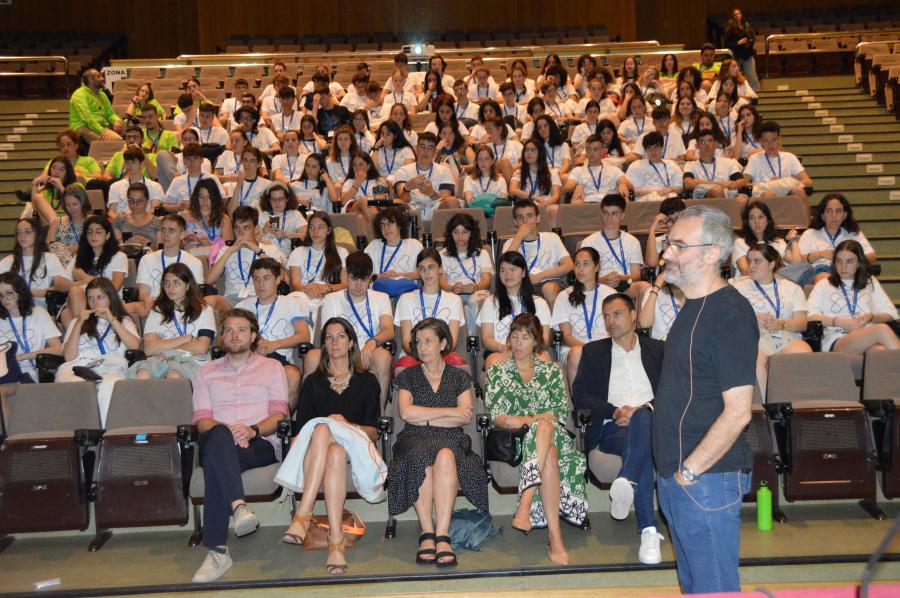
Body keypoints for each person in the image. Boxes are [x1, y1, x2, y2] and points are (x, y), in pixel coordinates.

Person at [652, 205, 757, 594]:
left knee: (714, 590)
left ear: (713, 253)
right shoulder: (691, 309)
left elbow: (738, 411)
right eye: (667, 244)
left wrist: (689, 473)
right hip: (681, 479)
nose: (667, 254)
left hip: (705, 480)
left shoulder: (729, 313)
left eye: (678, 245)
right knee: (696, 588)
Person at [189, 308, 290, 583]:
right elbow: (202, 421)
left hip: (258, 443)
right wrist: (227, 432)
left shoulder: (272, 368)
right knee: (219, 437)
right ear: (221, 336)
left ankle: (218, 552)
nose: (235, 335)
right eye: (229, 330)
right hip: (218, 439)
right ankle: (239, 507)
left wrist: (252, 429)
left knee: (215, 460)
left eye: (242, 330)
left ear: (253, 335)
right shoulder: (205, 372)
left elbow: (279, 415)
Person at [275, 317, 382, 575]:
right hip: (322, 452)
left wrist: (345, 425)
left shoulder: (367, 381)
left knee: (326, 427)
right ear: (323, 345)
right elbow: (302, 431)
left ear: (351, 343)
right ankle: (336, 542)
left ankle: (304, 513)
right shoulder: (312, 382)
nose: (334, 342)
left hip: (358, 448)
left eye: (340, 337)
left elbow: (374, 431)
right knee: (328, 441)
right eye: (329, 338)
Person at [486, 312, 587, 565]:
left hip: (555, 435)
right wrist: (535, 420)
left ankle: (526, 502)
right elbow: (497, 415)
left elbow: (560, 411)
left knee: (545, 429)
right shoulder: (497, 370)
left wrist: (527, 418)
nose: (518, 342)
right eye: (514, 336)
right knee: (548, 452)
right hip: (518, 440)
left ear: (536, 342)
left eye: (525, 337)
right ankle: (556, 538)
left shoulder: (552, 370)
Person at [571, 292, 665, 565]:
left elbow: (674, 391)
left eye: (617, 314)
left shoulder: (657, 350)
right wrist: (614, 410)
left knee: (644, 422)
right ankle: (648, 529)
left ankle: (627, 482)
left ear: (634, 315)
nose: (611, 321)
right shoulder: (594, 352)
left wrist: (643, 409)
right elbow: (581, 396)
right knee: (641, 440)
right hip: (612, 428)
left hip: (652, 424)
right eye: (606, 316)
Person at [388, 318, 488, 568]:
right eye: (418, 342)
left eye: (429, 341)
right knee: (419, 454)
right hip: (412, 438)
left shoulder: (459, 376)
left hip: (452, 439)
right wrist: (446, 412)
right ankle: (426, 532)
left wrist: (427, 417)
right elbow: (406, 415)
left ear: (443, 343)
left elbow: (466, 414)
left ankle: (441, 534)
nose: (422, 347)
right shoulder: (407, 376)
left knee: (445, 455)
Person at [57, 276, 141, 425]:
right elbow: (69, 356)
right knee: (71, 383)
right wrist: (78, 323)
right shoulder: (78, 321)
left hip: (111, 366)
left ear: (110, 298)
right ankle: (79, 433)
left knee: (111, 384)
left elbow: (135, 346)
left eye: (100, 297)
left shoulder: (123, 320)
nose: (95, 302)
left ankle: (104, 433)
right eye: (90, 298)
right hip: (79, 366)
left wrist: (112, 320)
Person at [314, 252, 394, 403]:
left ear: (370, 277)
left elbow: (388, 329)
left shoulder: (381, 298)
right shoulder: (332, 299)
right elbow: (328, 334)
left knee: (383, 357)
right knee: (312, 358)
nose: (358, 285)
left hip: (367, 353)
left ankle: (379, 416)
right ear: (346, 274)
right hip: (338, 350)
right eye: (354, 278)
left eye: (364, 279)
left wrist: (372, 342)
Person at [733, 244, 812, 396]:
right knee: (755, 361)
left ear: (771, 264)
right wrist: (752, 320)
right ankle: (767, 407)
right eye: (749, 261)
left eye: (757, 261)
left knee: (804, 354)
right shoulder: (738, 288)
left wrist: (781, 323)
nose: (751, 266)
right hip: (755, 338)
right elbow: (728, 321)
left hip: (785, 335)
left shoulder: (791, 288)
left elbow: (802, 323)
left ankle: (796, 403)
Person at [235, 258, 310, 408]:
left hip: (279, 360)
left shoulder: (291, 304)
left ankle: (282, 424)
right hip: (247, 359)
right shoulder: (242, 307)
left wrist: (273, 345)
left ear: (277, 280)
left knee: (293, 375)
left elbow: (304, 335)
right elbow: (225, 337)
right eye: (256, 279)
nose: (260, 284)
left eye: (266, 278)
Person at [807, 240, 899, 355]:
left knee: (880, 353)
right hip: (838, 338)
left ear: (859, 262)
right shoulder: (824, 284)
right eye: (839, 261)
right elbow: (809, 316)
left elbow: (891, 313)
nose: (843, 266)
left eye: (849, 261)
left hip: (867, 334)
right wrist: (841, 322)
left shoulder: (870, 282)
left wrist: (871, 317)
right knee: (881, 329)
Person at [131, 263, 216, 381]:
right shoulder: (157, 311)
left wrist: (162, 345)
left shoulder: (204, 310)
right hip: (161, 359)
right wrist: (186, 338)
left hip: (193, 359)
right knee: (142, 374)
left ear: (187, 285)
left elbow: (202, 347)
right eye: (167, 283)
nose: (170, 288)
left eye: (177, 282)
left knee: (174, 376)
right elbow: (149, 349)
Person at [393, 248, 466, 372]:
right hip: (415, 355)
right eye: (422, 268)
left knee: (457, 362)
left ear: (440, 268)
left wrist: (434, 356)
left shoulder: (454, 300)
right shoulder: (406, 299)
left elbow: (451, 342)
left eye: (431, 267)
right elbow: (406, 342)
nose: (426, 272)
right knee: (404, 366)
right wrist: (423, 354)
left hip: (443, 356)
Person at [477, 251, 552, 371]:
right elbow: (487, 338)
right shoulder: (490, 302)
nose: (507, 274)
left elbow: (545, 338)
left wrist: (527, 350)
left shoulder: (540, 303)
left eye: (513, 269)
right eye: (502, 270)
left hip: (531, 351)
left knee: (544, 360)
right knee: (493, 363)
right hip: (502, 351)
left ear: (523, 273)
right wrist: (504, 348)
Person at [551, 247, 616, 385]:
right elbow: (567, 337)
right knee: (577, 353)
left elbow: (616, 329)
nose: (580, 269)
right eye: (577, 264)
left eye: (586, 264)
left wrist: (599, 349)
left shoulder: (610, 294)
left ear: (596, 267)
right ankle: (578, 403)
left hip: (605, 345)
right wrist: (590, 349)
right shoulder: (564, 296)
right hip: (574, 347)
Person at [205, 206, 285, 308]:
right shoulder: (226, 250)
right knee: (208, 302)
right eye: (237, 228)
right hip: (231, 300)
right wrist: (230, 250)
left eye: (246, 228)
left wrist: (257, 250)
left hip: (258, 298)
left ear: (256, 229)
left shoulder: (269, 249)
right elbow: (209, 280)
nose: (240, 233)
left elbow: (281, 276)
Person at [581, 195, 651, 306]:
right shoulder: (588, 242)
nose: (609, 218)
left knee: (645, 288)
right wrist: (603, 280)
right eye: (605, 213)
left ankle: (639, 323)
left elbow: (636, 275)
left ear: (622, 215)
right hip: (599, 285)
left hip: (625, 286)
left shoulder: (633, 241)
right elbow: (584, 275)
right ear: (601, 214)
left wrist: (622, 278)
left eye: (614, 213)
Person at [501, 199, 573, 306]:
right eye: (520, 217)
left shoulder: (552, 238)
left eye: (529, 216)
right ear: (515, 222)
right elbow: (505, 267)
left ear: (537, 218)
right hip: (520, 284)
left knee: (549, 289)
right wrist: (519, 236)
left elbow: (569, 265)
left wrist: (540, 276)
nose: (525, 221)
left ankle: (552, 323)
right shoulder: (510, 243)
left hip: (549, 281)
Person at [795, 193, 876, 287]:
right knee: (824, 279)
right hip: (818, 273)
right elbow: (797, 261)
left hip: (848, 273)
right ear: (822, 215)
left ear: (845, 215)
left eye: (838, 211)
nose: (834, 216)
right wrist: (820, 254)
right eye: (829, 211)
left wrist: (848, 259)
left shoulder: (854, 234)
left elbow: (872, 256)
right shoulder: (810, 234)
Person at [132, 214, 205, 318]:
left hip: (183, 306)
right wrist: (147, 300)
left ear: (182, 235)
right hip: (154, 305)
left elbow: (196, 295)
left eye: (171, 230)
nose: (166, 234)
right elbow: (143, 293)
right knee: (131, 307)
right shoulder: (147, 259)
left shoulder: (194, 262)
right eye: (163, 230)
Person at [63, 216, 127, 326]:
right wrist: (81, 282)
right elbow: (60, 285)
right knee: (65, 314)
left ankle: (85, 332)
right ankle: (84, 338)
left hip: (107, 301)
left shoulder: (119, 256)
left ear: (107, 235)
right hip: (82, 301)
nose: (93, 236)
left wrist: (85, 278)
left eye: (98, 232)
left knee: (74, 292)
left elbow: (115, 287)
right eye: (89, 232)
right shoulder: (78, 257)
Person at [0, 272, 63, 385]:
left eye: (9, 293)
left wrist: (23, 357)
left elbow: (58, 349)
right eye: (0, 295)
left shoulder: (39, 313)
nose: (4, 299)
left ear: (20, 293)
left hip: (27, 373)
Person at [439, 212, 493, 334]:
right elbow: (442, 282)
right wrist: (452, 288)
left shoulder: (482, 253)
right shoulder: (443, 254)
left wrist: (475, 287)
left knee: (481, 300)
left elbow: (486, 280)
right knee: (453, 301)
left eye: (465, 232)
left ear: (472, 233)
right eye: (455, 232)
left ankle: (474, 339)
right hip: (452, 292)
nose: (460, 236)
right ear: (450, 234)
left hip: (476, 291)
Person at [0, 219, 69, 309]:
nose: (22, 236)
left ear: (37, 235)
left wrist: (32, 293)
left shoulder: (49, 258)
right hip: (12, 309)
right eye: (18, 233)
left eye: (27, 232)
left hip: (40, 309)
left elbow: (61, 287)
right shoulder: (7, 261)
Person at [391, 132, 458, 222]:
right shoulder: (404, 170)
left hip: (435, 209)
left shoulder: (444, 170)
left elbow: (446, 199)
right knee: (397, 203)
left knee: (452, 201)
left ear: (435, 152)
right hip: (412, 208)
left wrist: (431, 193)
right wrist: (407, 188)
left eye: (430, 148)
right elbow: (402, 199)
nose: (425, 151)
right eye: (422, 146)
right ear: (416, 149)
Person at [287, 211, 348, 305]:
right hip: (304, 295)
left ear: (329, 230)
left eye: (320, 227)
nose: (315, 232)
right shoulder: (297, 252)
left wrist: (326, 288)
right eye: (312, 227)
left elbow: (345, 284)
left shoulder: (341, 252)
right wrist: (309, 289)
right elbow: (295, 284)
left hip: (330, 295)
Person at [743, 121, 812, 200]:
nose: (770, 145)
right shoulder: (755, 158)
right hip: (763, 198)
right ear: (760, 141)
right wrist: (769, 185)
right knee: (769, 194)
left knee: (799, 191)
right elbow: (743, 182)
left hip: (787, 196)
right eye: (766, 141)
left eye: (773, 140)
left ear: (779, 139)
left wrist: (782, 184)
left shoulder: (790, 157)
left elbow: (808, 182)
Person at [682, 128, 748, 202]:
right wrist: (722, 184)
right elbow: (688, 183)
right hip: (701, 199)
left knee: (742, 200)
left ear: (715, 144)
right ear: (697, 146)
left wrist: (704, 184)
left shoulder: (728, 162)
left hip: (726, 197)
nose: (707, 145)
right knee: (717, 191)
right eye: (702, 141)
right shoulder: (691, 165)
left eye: (710, 141)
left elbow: (742, 182)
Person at [732, 200, 796, 276]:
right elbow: (746, 271)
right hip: (751, 284)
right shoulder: (740, 243)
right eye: (752, 218)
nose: (756, 221)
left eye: (760, 217)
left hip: (777, 284)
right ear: (748, 222)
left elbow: (797, 264)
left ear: (767, 221)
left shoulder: (778, 243)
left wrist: (793, 241)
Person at [508, 140, 562, 228]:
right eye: (526, 150)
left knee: (554, 209)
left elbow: (556, 196)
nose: (529, 153)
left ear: (540, 153)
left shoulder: (552, 172)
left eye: (533, 150)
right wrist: (533, 197)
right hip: (527, 207)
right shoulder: (519, 172)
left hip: (545, 206)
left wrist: (544, 203)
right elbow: (512, 190)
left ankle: (553, 237)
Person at [566, 134, 632, 203]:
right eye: (588, 149)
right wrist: (577, 186)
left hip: (609, 205)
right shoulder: (577, 170)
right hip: (586, 203)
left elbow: (630, 185)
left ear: (602, 150)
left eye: (595, 149)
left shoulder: (613, 169)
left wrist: (622, 184)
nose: (591, 152)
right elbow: (567, 188)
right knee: (575, 202)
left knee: (625, 200)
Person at [363, 207, 424, 280]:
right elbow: (362, 275)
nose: (386, 228)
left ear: (399, 225)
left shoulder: (414, 245)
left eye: (390, 223)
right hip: (378, 290)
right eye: (382, 225)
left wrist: (397, 275)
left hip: (406, 290)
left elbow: (423, 273)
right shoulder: (373, 246)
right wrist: (380, 276)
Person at [625, 132, 684, 201]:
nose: (653, 151)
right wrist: (655, 193)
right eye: (649, 148)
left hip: (669, 201)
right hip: (645, 202)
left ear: (662, 147)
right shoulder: (636, 166)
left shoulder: (672, 165)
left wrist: (670, 189)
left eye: (656, 147)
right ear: (645, 150)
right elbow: (630, 190)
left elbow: (680, 188)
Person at [107, 147, 164, 217]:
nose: (129, 166)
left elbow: (154, 210)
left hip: (146, 223)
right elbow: (111, 212)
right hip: (123, 224)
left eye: (133, 162)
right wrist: (124, 220)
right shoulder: (115, 186)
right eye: (127, 162)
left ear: (142, 164)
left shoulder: (155, 186)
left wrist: (136, 220)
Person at [69, 69, 122, 142]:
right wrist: (103, 131)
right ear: (90, 80)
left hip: (101, 126)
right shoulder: (79, 95)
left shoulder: (102, 95)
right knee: (116, 140)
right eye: (99, 77)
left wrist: (116, 121)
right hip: (83, 127)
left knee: (127, 128)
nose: (103, 78)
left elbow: (110, 113)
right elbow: (88, 118)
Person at [257, 182, 308, 258]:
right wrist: (263, 231)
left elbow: (307, 236)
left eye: (280, 199)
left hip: (285, 257)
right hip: (263, 255)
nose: (277, 203)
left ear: (287, 199)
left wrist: (286, 235)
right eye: (273, 199)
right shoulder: (261, 215)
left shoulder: (295, 215)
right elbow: (250, 239)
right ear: (269, 200)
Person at [182, 178, 234, 252]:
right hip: (191, 257)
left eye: (209, 197)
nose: (204, 201)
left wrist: (211, 246)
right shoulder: (187, 215)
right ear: (196, 198)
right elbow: (178, 243)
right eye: (201, 197)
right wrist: (186, 240)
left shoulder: (224, 219)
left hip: (217, 258)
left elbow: (228, 248)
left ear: (215, 198)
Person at [46, 184, 90, 267]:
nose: (71, 208)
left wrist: (76, 248)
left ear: (83, 202)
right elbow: (50, 246)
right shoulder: (57, 222)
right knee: (55, 246)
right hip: (61, 264)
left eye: (75, 204)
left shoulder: (92, 221)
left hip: (86, 262)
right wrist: (71, 250)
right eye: (68, 205)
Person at [26, 155, 77, 223]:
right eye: (54, 168)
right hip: (50, 226)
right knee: (38, 198)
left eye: (61, 169)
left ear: (67, 173)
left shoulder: (76, 186)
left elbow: (74, 205)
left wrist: (61, 188)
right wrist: (35, 184)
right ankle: (55, 226)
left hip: (71, 224)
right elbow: (35, 209)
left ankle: (56, 226)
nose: (56, 172)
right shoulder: (45, 191)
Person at [112, 182, 162, 248]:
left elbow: (160, 250)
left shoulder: (156, 221)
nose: (135, 204)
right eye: (131, 200)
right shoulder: (120, 220)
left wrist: (147, 243)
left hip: (150, 256)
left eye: (140, 201)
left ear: (147, 201)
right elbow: (114, 247)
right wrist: (122, 243)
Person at [724, 8, 761, 92]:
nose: (738, 16)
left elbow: (752, 38)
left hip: (748, 53)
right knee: (735, 75)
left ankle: (757, 93)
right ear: (732, 17)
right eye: (735, 14)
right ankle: (735, 93)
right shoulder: (729, 29)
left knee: (752, 75)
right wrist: (738, 43)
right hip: (737, 55)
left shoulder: (746, 25)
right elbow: (727, 44)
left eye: (739, 13)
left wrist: (749, 42)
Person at [229, 147, 272, 213]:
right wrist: (238, 186)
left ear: (259, 164)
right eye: (245, 160)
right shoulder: (233, 185)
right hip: (238, 221)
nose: (247, 164)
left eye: (252, 161)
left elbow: (270, 211)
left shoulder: (267, 185)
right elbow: (231, 212)